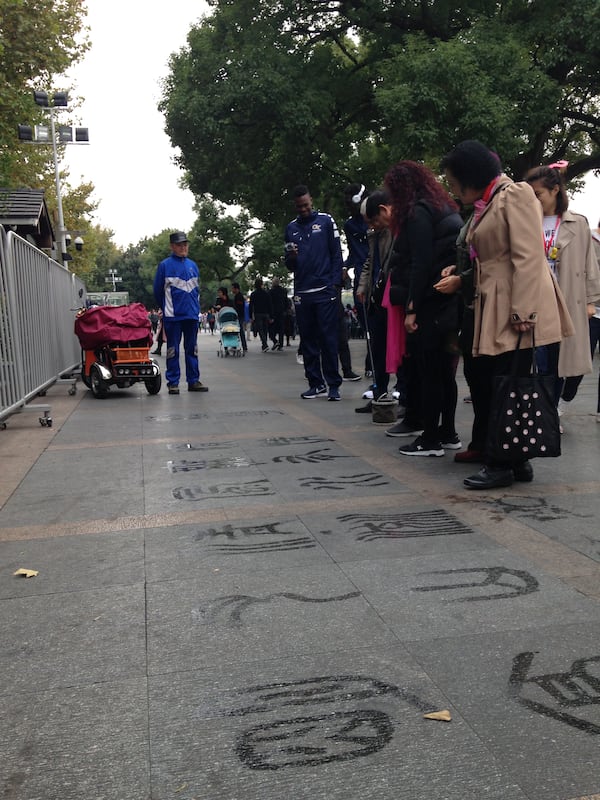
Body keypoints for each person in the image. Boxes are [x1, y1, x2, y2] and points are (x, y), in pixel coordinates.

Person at [439, 140, 573, 488]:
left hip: (512, 303)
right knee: (498, 380)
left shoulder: (514, 195)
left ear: (470, 177)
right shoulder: (491, 200)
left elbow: (528, 257)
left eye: (454, 182)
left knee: (503, 383)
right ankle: (515, 460)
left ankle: (501, 463)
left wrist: (525, 310)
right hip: (494, 301)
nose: (452, 189)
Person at [380, 161, 463, 457]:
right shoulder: (444, 207)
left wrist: (412, 308)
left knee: (429, 372)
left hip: (429, 301)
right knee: (445, 372)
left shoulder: (417, 213)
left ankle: (429, 439)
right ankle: (448, 433)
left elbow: (420, 263)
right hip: (448, 299)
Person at [524, 163, 600, 424]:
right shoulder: (525, 221)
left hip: (565, 302)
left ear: (555, 190)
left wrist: (591, 301)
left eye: (538, 194)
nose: (534, 200)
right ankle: (542, 410)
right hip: (534, 303)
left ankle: (549, 410)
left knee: (560, 364)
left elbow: (590, 264)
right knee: (539, 363)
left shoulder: (576, 223)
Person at [284, 184, 343, 401]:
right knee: (307, 340)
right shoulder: (290, 228)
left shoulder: (326, 221)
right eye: (299, 207)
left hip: (325, 290)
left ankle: (333, 384)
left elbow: (336, 253)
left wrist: (335, 284)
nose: (303, 210)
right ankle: (315, 383)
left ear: (312, 201)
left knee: (328, 339)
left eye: (306, 205)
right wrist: (290, 258)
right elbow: (289, 265)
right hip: (302, 292)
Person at [153, 231, 208, 394]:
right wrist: (166, 307)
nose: (183, 247)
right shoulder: (165, 265)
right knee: (173, 349)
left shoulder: (193, 265)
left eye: (185, 244)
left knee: (192, 349)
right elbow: (157, 291)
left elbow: (197, 289)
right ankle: (173, 382)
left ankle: (193, 380)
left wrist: (196, 309)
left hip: (191, 315)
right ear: (172, 246)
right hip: (173, 316)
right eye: (179, 244)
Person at [249, 277, 273, 352]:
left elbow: (251, 305)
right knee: (265, 329)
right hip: (265, 313)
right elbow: (270, 304)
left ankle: (264, 344)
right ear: (262, 284)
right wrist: (271, 315)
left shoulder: (253, 294)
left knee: (260, 330)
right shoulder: (266, 293)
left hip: (257, 313)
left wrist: (250, 315)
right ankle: (264, 344)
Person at [268, 276, 288, 350]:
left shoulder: (271, 291)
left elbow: (269, 303)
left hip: (273, 312)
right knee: (281, 329)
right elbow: (286, 301)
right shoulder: (284, 290)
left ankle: (275, 341)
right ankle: (281, 345)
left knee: (271, 328)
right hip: (282, 312)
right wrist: (285, 310)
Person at [231, 282, 248, 353]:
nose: (231, 290)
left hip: (239, 316)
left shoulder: (239, 296)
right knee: (237, 331)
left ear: (236, 288)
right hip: (238, 316)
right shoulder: (237, 296)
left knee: (240, 331)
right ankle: (237, 346)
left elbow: (239, 307)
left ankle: (244, 346)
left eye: (232, 288)